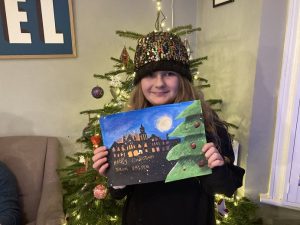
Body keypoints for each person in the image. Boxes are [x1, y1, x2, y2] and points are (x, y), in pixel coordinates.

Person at [93, 31, 245, 225]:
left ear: (182, 79)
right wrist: (115, 174)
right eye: (149, 75)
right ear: (140, 83)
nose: (159, 83)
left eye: (169, 74)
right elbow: (119, 193)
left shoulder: (207, 124)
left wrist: (217, 167)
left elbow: (225, 187)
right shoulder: (126, 127)